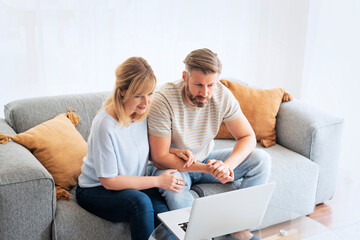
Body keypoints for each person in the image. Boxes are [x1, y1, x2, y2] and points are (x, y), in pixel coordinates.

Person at [147, 49, 271, 240]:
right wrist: (207, 169)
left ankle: (238, 228)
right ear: (184, 77)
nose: (205, 93)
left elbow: (247, 137)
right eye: (198, 84)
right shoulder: (163, 100)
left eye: (210, 85)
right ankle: (203, 236)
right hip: (174, 166)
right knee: (176, 189)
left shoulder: (222, 95)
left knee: (261, 159)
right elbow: (160, 158)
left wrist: (226, 166)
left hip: (205, 159)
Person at [76, 57, 185, 240]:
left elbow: (142, 150)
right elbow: (109, 181)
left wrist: (174, 152)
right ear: (122, 91)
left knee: (164, 217)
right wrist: (158, 181)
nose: (146, 101)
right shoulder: (105, 125)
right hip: (95, 190)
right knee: (141, 203)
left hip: (131, 183)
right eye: (138, 95)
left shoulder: (140, 114)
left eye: (150, 93)